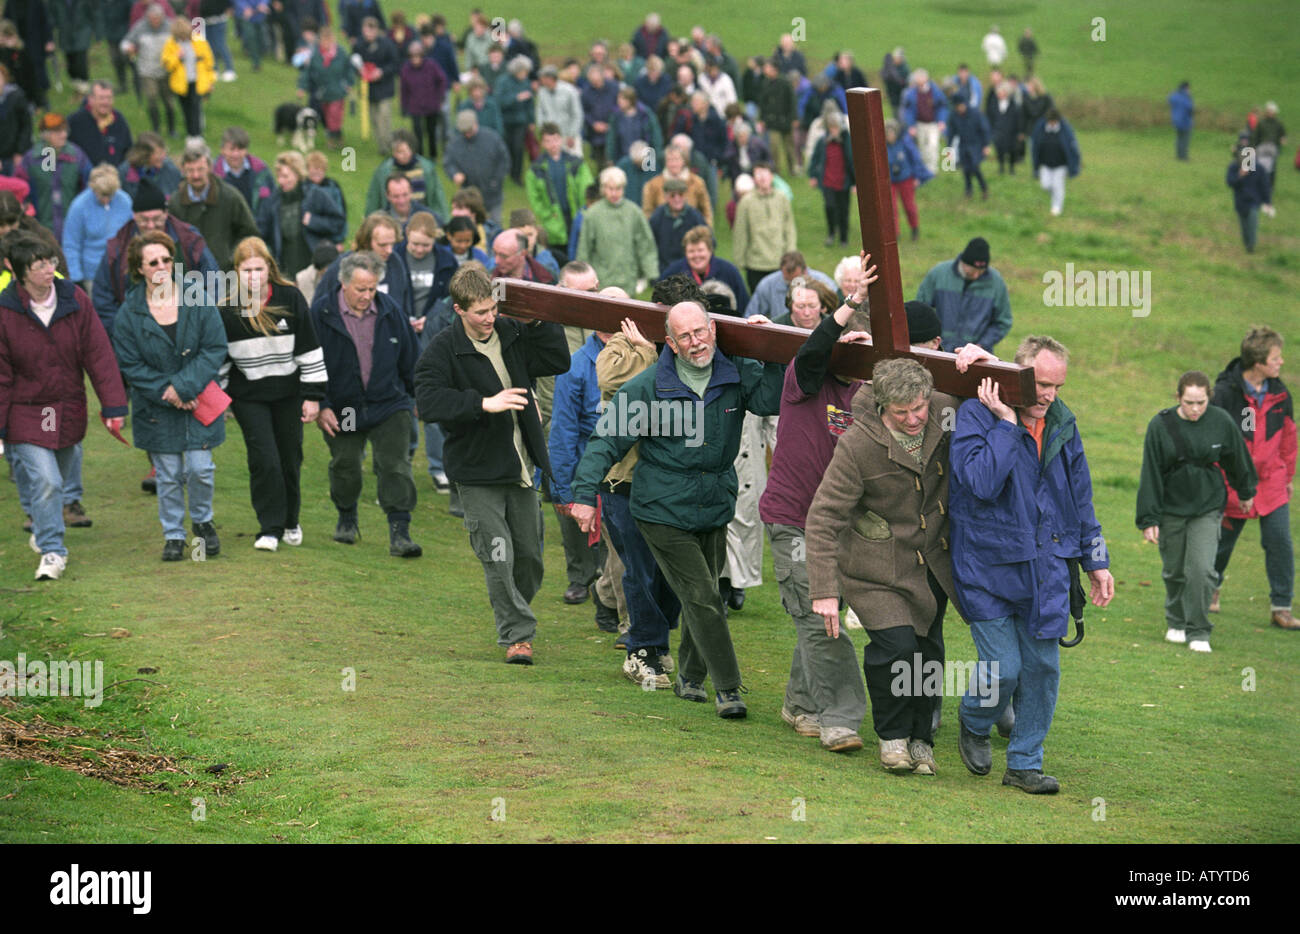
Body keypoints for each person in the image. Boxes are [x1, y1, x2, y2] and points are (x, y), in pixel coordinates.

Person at [570, 298, 784, 718]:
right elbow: (605, 441)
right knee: (704, 595)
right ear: (669, 341)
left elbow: (769, 400)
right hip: (661, 509)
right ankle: (727, 688)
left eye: (700, 332)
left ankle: (689, 677)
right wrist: (581, 494)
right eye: (684, 336)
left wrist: (768, 349)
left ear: (713, 331)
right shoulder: (648, 387)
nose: (695, 342)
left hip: (714, 504)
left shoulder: (733, 374)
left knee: (703, 599)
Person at [950, 335, 1114, 794]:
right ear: (1018, 375)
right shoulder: (976, 414)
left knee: (1043, 670)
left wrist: (1095, 561)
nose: (1049, 396)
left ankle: (1024, 763)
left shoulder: (1062, 422)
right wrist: (1005, 424)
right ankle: (975, 720)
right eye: (1041, 384)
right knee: (1002, 668)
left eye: (1058, 386)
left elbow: (1080, 498)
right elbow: (981, 483)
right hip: (985, 566)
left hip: (1046, 566)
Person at [413, 262, 570, 664]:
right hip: (477, 472)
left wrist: (537, 322)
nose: (489, 319)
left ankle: (513, 609)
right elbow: (428, 402)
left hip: (521, 466)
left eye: (493, 310)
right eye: (480, 313)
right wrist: (483, 404)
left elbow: (557, 360)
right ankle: (518, 635)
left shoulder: (511, 333)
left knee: (531, 558)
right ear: (459, 309)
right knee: (497, 554)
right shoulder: (443, 349)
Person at [0, 235, 127, 580]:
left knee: (55, 477)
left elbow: (98, 354)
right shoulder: (5, 311)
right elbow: (1, 375)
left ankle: (42, 529)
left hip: (64, 408)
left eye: (51, 261)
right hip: (27, 410)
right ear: (17, 270)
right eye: (38, 264)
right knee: (48, 481)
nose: (48, 269)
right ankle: (53, 551)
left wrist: (114, 405)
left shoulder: (74, 299)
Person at [111, 229, 229, 561]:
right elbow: (130, 364)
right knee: (168, 474)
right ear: (140, 269)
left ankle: (203, 523)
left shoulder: (197, 296)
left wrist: (185, 387)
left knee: (200, 468)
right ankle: (174, 534)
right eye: (153, 262)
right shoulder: (128, 314)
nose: (162, 266)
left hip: (198, 399)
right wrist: (169, 391)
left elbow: (214, 347)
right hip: (157, 406)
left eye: (166, 258)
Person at [310, 250, 422, 557]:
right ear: (343, 283)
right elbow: (309, 365)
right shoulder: (320, 315)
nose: (367, 296)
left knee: (395, 465)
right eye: (361, 289)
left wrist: (420, 398)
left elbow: (412, 359)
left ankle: (400, 532)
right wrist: (322, 405)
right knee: (346, 464)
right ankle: (346, 516)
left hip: (388, 404)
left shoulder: (390, 311)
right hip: (344, 408)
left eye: (372, 289)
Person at [218, 235, 326, 551]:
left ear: (269, 268)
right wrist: (223, 400)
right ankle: (270, 527)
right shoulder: (226, 309)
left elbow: (309, 347)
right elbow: (220, 359)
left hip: (289, 393)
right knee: (264, 460)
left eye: (259, 269)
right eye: (247, 270)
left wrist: (313, 396)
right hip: (249, 396)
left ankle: (291, 520)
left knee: (289, 459)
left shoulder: (291, 298)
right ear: (237, 272)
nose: (253, 276)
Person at [1137, 371, 1257, 651]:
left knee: (1202, 570)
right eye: (1189, 402)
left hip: (1208, 505)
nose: (1195, 409)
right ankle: (1176, 621)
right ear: (1178, 397)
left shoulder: (1221, 421)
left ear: (1208, 399)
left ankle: (1199, 630)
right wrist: (1149, 518)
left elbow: (1237, 458)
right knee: (1175, 571)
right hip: (1171, 507)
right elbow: (1150, 473)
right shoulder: (1160, 424)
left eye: (1201, 402)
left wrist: (1246, 491)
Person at [1210, 326, 1296, 630]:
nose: (1281, 362)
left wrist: (1287, 473)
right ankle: (1211, 588)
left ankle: (1281, 607)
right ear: (1258, 362)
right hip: (1233, 482)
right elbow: (1214, 438)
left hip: (1272, 482)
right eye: (1275, 357)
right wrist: (1221, 477)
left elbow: (1288, 436)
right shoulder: (1224, 393)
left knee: (1280, 541)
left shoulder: (1281, 394)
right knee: (1222, 542)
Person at [90, 178, 219, 340]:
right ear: (134, 216)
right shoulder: (117, 247)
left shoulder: (189, 240)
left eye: (157, 219)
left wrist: (200, 325)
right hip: (137, 336)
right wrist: (124, 333)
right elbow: (103, 298)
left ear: (166, 214)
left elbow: (214, 282)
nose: (151, 225)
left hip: (188, 331)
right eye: (144, 220)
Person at [168, 140, 260, 270]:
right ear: (183, 170)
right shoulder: (175, 203)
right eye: (190, 170)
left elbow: (250, 235)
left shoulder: (230, 197)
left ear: (210, 168)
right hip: (190, 279)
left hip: (226, 277)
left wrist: (232, 259)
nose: (196, 175)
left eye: (200, 169)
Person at [255, 150, 345, 277]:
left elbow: (338, 223)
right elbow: (260, 231)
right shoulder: (272, 201)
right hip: (285, 270)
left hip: (314, 268)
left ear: (298, 175)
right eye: (279, 176)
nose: (281, 181)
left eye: (286, 176)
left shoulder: (315, 195)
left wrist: (314, 221)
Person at [916, 237, 1011, 353]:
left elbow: (1003, 322)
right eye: (971, 271)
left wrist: (981, 345)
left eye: (980, 272)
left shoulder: (996, 283)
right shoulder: (938, 274)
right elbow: (920, 310)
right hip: (940, 351)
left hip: (975, 357)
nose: (976, 275)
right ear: (963, 262)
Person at [576, 166, 658, 297]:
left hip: (628, 277)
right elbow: (584, 248)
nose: (614, 193)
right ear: (603, 189)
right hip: (601, 278)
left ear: (624, 188)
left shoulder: (633, 212)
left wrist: (651, 272)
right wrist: (582, 276)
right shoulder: (593, 214)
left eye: (618, 189)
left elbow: (645, 243)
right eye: (610, 189)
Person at [525, 122, 593, 267]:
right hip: (553, 220)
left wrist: (584, 209)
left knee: (579, 254)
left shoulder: (576, 163)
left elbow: (586, 187)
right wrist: (547, 215)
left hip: (575, 214)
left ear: (561, 139)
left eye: (555, 139)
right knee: (559, 258)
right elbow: (534, 199)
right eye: (548, 141)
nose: (553, 144)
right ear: (542, 143)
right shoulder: (536, 169)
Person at [17, 112, 91, 242]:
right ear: (45, 134)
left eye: (65, 130)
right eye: (57, 131)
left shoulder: (76, 156)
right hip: (40, 230)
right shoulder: (31, 160)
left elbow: (90, 186)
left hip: (72, 229)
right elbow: (19, 191)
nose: (64, 135)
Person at [62, 165, 134, 292]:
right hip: (92, 275)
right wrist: (76, 278)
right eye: (102, 195)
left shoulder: (125, 201)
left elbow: (132, 235)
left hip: (120, 272)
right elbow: (71, 245)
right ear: (92, 188)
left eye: (110, 195)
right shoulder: (79, 206)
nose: (106, 200)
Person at [733, 163, 796, 293]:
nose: (762, 177)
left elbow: (789, 228)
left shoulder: (782, 198)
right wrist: (739, 262)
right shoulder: (746, 202)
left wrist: (790, 254)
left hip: (780, 262)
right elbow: (740, 233)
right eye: (758, 174)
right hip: (756, 264)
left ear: (772, 176)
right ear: (754, 179)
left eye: (765, 173)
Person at [660, 224, 749, 314]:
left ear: (710, 250)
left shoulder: (730, 271)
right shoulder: (672, 274)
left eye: (700, 250)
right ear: (685, 253)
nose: (696, 255)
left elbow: (744, 305)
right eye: (691, 251)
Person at [444, 111, 510, 228]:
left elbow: (504, 160)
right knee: (470, 226)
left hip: (492, 194)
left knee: (495, 225)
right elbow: (449, 163)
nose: (467, 135)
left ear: (476, 124)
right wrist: (454, 174)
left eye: (469, 131)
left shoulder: (492, 138)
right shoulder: (454, 143)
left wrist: (496, 180)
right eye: (464, 132)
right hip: (468, 196)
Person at [121, 3, 175, 136]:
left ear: (163, 17)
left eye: (158, 19)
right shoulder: (140, 27)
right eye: (152, 19)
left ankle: (172, 130)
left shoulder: (170, 26)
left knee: (169, 101)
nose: (155, 22)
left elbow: (185, 40)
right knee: (152, 99)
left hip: (166, 71)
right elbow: (125, 42)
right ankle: (156, 129)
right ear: (147, 18)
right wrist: (129, 48)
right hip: (147, 71)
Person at [161, 17, 215, 142]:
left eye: (185, 36)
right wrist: (177, 57)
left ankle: (197, 135)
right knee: (186, 109)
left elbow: (209, 62)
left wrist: (211, 81)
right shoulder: (171, 44)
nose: (183, 39)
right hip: (181, 84)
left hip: (197, 82)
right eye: (181, 37)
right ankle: (191, 134)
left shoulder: (199, 42)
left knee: (195, 107)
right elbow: (166, 65)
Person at [297, 26, 353, 148]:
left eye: (329, 40)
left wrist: (349, 83)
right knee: (327, 115)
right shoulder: (315, 55)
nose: (326, 43)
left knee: (335, 113)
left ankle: (332, 138)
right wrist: (302, 87)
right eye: (324, 40)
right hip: (322, 91)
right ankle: (337, 134)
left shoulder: (341, 53)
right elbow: (307, 72)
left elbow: (349, 69)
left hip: (338, 90)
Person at [353, 15, 400, 156]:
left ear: (377, 31)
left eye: (372, 31)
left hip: (384, 87)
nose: (369, 34)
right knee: (373, 118)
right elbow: (354, 61)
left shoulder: (387, 44)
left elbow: (395, 64)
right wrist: (359, 70)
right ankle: (382, 145)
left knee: (384, 117)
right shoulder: (359, 45)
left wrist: (381, 72)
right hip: (368, 89)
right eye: (366, 31)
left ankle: (387, 144)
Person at [807, 112, 855, 247]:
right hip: (828, 181)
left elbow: (852, 161)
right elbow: (815, 159)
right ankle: (831, 233)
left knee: (843, 210)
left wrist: (855, 183)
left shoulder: (847, 141)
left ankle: (843, 238)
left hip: (843, 182)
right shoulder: (822, 142)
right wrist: (812, 176)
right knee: (830, 207)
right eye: (831, 127)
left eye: (836, 127)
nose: (833, 130)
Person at [399, 38, 448, 159]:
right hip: (415, 106)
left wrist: (440, 97)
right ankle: (419, 154)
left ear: (422, 56)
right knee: (417, 132)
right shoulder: (406, 69)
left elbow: (442, 80)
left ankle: (433, 154)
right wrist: (404, 106)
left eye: (418, 56)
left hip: (431, 105)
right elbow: (403, 89)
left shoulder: (431, 65)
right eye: (413, 57)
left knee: (431, 131)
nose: (415, 60)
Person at [884, 117, 931, 241]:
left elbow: (915, 159)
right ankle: (895, 234)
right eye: (887, 134)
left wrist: (916, 176)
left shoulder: (905, 143)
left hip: (906, 178)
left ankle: (915, 228)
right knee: (891, 208)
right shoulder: (882, 146)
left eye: (892, 133)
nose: (890, 137)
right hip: (890, 181)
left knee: (909, 206)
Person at [640, 144, 712, 225]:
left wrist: (706, 231)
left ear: (683, 161)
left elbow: (706, 210)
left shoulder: (697, 182)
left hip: (692, 229)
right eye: (670, 160)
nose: (673, 164)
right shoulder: (653, 184)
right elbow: (647, 212)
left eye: (677, 160)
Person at [213, 126, 274, 216]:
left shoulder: (261, 171)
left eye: (240, 149)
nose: (236, 154)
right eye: (232, 149)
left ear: (246, 150)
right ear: (222, 150)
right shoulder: (212, 174)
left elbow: (274, 200)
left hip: (257, 226)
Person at [1030, 107, 1081, 217]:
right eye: (1050, 121)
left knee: (1058, 185)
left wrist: (1075, 165)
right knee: (1045, 185)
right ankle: (1055, 198)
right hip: (1045, 163)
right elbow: (1034, 146)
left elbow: (1073, 147)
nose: (1052, 123)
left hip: (1060, 164)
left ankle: (1057, 207)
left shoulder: (1066, 130)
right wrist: (1035, 166)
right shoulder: (1040, 128)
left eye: (1054, 122)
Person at [1226, 133, 1269, 254]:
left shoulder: (1258, 168)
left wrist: (1267, 201)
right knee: (1244, 226)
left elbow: (1264, 185)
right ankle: (1247, 243)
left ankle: (1251, 245)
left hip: (1254, 202)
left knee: (1252, 223)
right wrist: (1240, 176)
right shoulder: (1234, 167)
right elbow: (1230, 182)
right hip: (1240, 201)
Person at [900, 69, 947, 176]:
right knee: (922, 147)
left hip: (933, 124)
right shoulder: (911, 94)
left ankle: (933, 170)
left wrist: (942, 121)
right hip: (919, 124)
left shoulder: (934, 91)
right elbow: (908, 110)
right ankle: (925, 170)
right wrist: (911, 125)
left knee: (933, 146)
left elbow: (942, 106)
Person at [948, 97, 992, 200]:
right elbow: (951, 132)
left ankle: (984, 188)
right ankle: (968, 190)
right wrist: (949, 148)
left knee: (975, 167)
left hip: (976, 144)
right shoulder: (954, 116)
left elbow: (984, 129)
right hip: (963, 144)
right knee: (966, 169)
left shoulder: (975, 114)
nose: (959, 108)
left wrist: (986, 145)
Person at [119, 133, 183, 202]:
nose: (164, 156)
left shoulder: (169, 168)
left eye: (164, 152)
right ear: (144, 155)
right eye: (159, 153)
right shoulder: (126, 171)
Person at [987, 80, 1022, 175]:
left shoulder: (1013, 105)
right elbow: (990, 117)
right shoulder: (993, 104)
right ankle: (1001, 168)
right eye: (998, 92)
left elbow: (1018, 119)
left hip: (1011, 132)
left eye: (1001, 92)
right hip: (998, 131)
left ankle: (1011, 169)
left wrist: (1019, 132)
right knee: (999, 149)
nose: (999, 94)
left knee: (1012, 151)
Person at [1168, 81, 1194, 162]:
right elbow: (1190, 108)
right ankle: (1184, 157)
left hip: (1176, 120)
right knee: (1185, 140)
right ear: (1186, 88)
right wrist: (1189, 97)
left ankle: (1178, 155)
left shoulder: (1175, 96)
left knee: (1179, 139)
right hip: (1185, 120)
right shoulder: (1186, 97)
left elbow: (1169, 100)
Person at [879, 47, 909, 116]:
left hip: (901, 96)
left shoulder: (904, 69)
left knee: (901, 115)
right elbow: (884, 76)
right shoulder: (891, 67)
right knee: (895, 113)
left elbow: (903, 83)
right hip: (893, 95)